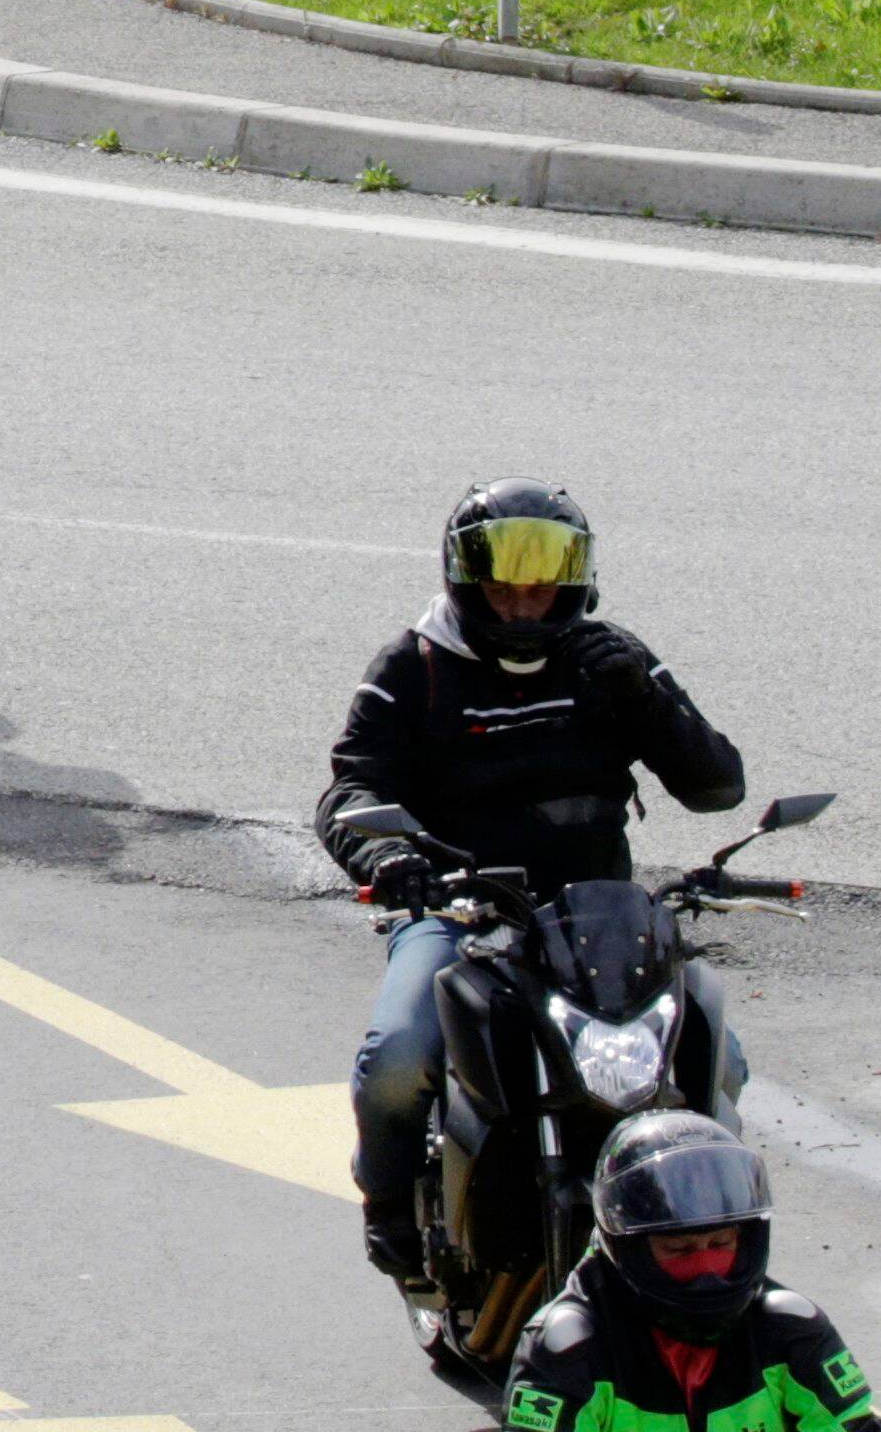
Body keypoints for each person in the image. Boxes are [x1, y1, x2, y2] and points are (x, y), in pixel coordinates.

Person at [321, 482, 749, 1288]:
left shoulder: (611, 658)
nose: (522, 604)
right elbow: (347, 795)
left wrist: (646, 696)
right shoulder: (412, 666)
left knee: (717, 1057)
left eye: (540, 584)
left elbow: (718, 786)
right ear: (464, 579)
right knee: (398, 1055)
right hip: (459, 912)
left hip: (599, 924)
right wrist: (386, 861)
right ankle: (388, 1209)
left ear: (574, 582)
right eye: (503, 585)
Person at [497, 1117, 881, 1432]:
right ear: (626, 1246)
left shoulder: (789, 1329)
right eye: (680, 1250)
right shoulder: (568, 1346)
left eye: (719, 1243)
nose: (706, 1268)